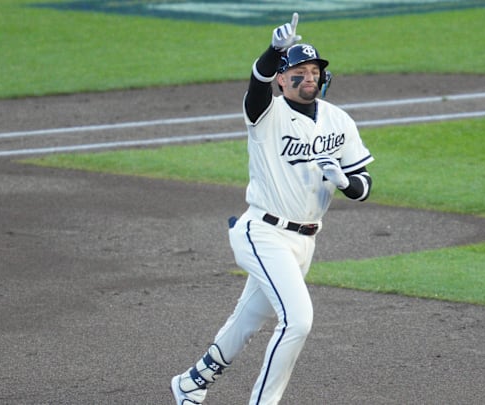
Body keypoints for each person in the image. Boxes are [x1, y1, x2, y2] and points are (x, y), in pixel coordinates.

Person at [170, 12, 374, 405]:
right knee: (297, 321)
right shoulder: (266, 114)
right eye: (299, 69)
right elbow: (257, 83)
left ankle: (191, 383)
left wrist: (346, 183)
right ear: (282, 78)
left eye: (314, 69)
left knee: (248, 319)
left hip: (304, 242)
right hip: (262, 232)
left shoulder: (340, 122)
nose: (309, 76)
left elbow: (363, 186)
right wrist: (273, 50)